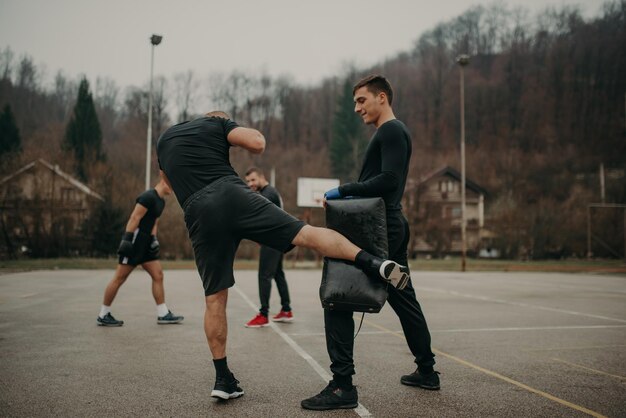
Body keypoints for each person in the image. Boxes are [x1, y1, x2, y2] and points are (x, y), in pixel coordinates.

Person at [156, 110, 410, 401]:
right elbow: (256, 142)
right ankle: (374, 262)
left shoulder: (163, 140)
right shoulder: (216, 123)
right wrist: (230, 132)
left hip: (197, 210)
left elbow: (168, 183)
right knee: (305, 234)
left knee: (214, 298)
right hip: (230, 193)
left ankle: (223, 379)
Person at [301, 75, 439, 411]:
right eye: (354, 102)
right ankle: (427, 371)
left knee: (339, 296)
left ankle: (342, 387)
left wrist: (344, 190)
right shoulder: (392, 132)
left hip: (383, 228)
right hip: (390, 224)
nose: (356, 108)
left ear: (382, 97)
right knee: (404, 298)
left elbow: (389, 181)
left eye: (362, 100)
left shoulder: (391, 130)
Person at [97, 175, 184, 327]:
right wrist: (126, 239)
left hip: (146, 245)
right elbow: (134, 218)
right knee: (119, 278)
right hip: (134, 242)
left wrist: (153, 239)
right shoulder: (147, 197)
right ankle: (103, 314)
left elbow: (154, 222)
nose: (174, 189)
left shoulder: (160, 202)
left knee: (158, 275)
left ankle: (163, 313)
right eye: (173, 185)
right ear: (164, 182)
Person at [244, 167, 293, 327]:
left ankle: (263, 315)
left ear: (261, 177)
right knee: (278, 274)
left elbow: (262, 220)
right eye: (248, 181)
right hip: (278, 240)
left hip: (272, 241)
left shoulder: (268, 194)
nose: (250, 184)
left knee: (264, 276)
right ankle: (286, 310)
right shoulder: (270, 192)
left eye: (253, 180)